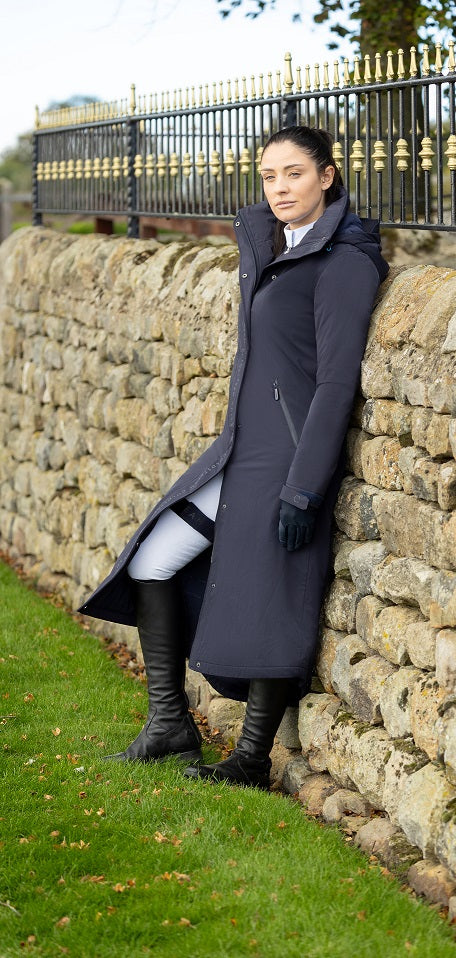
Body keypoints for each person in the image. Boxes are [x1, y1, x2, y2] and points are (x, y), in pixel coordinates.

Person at [78, 125, 389, 789]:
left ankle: (251, 759)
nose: (278, 188)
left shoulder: (343, 261)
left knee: (274, 597)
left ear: (327, 177)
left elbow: (335, 383)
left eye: (294, 174)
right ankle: (169, 720)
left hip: (286, 461)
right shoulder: (279, 248)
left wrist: (303, 489)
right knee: (154, 559)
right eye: (268, 175)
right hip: (238, 452)